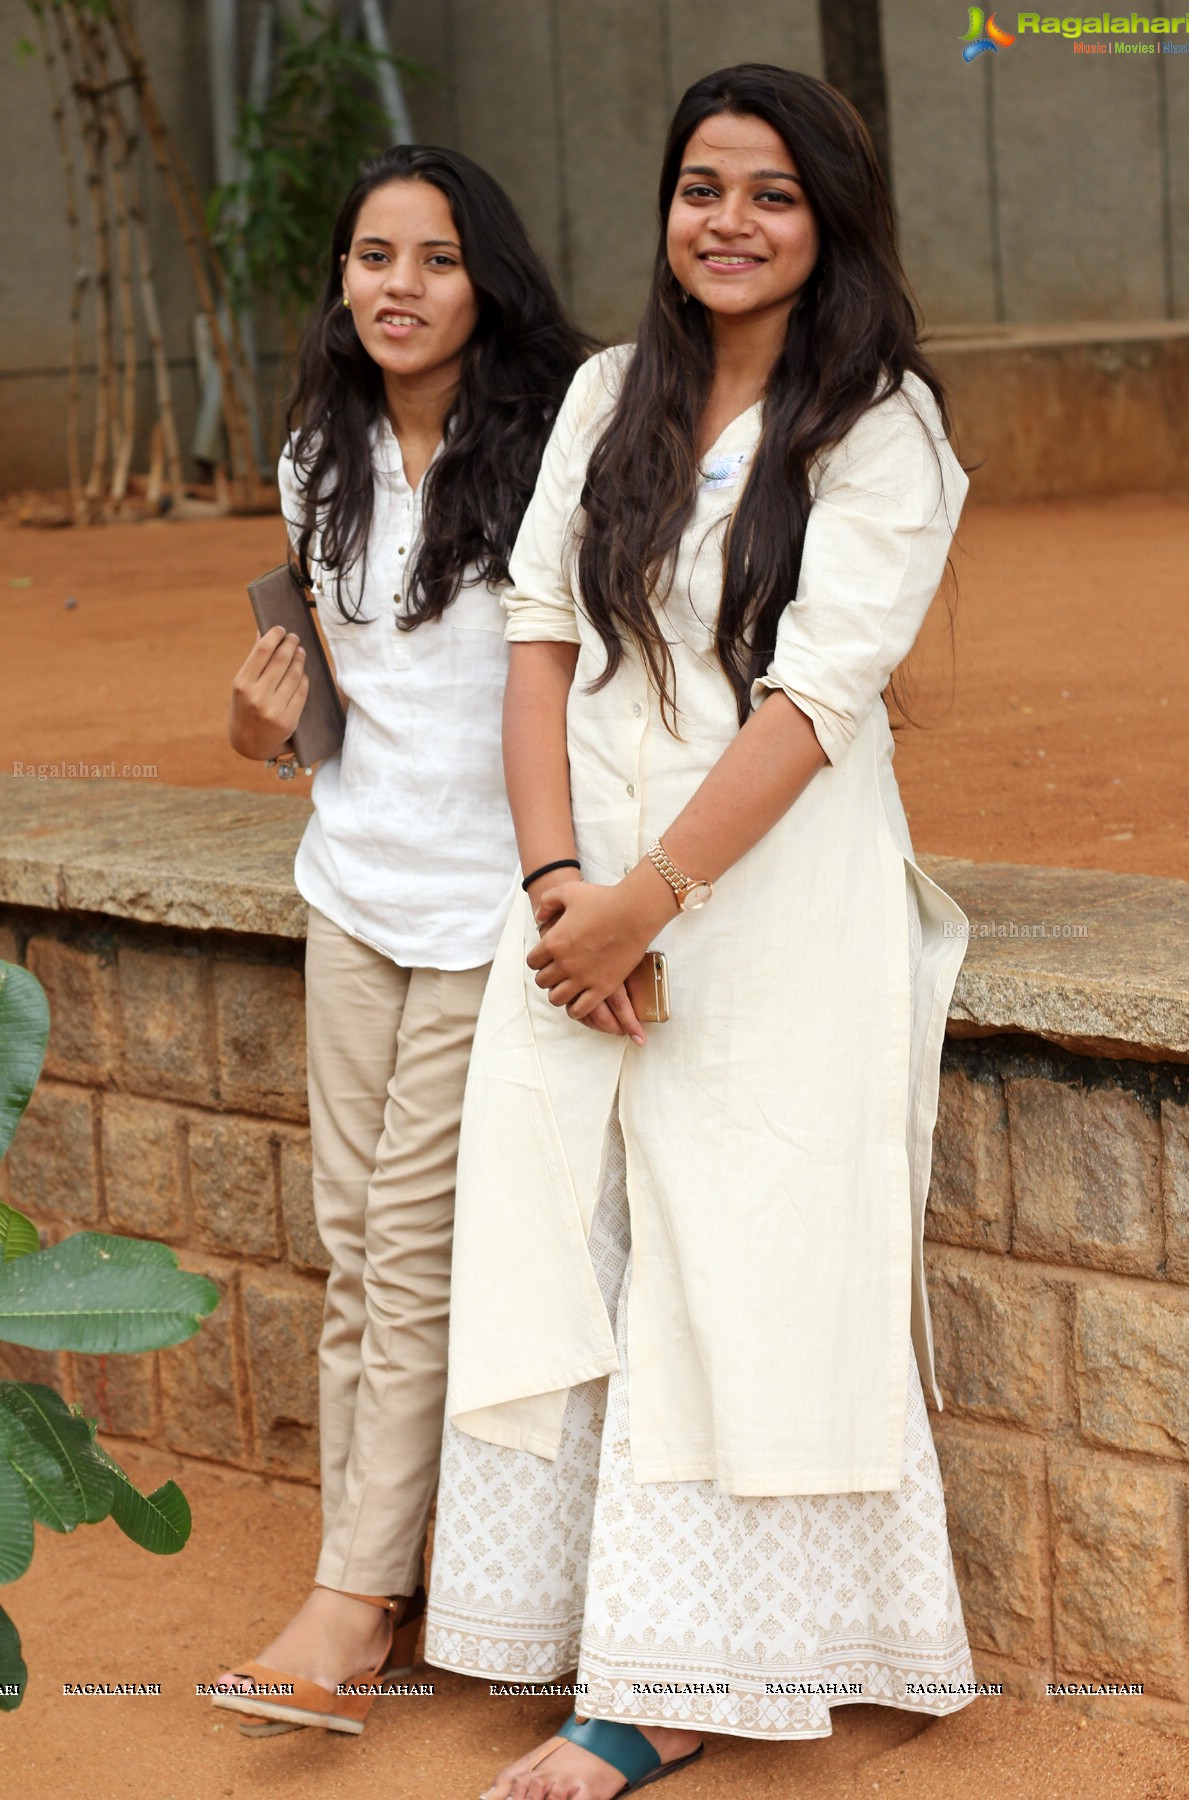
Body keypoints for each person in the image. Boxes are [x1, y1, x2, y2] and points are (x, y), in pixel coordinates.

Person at [424, 65, 976, 1799]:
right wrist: (557, 896)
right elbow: (531, 641)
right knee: (566, 1226)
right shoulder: (607, 395)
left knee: (745, 1258)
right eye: (700, 188)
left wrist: (650, 902)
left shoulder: (881, 429)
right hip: (577, 892)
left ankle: (679, 1686)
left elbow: (814, 705)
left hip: (772, 904)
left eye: (771, 195)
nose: (727, 223)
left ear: (830, 225)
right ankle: (575, 1625)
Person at [214, 144, 589, 1737]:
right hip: (349, 888)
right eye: (374, 256)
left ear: (485, 279)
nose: (398, 286)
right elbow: (319, 709)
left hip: (488, 908)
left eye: (434, 259)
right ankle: (373, 1563)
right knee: (351, 1241)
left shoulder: (557, 451)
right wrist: (256, 731)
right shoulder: (318, 451)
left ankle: (353, 1601)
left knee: (411, 1250)